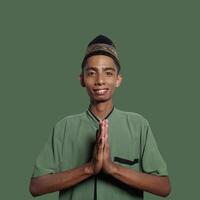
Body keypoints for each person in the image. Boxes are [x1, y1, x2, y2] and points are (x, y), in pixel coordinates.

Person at [29, 35, 171, 200]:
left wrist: (113, 168)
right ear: (82, 79)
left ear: (118, 79)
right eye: (91, 73)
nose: (100, 81)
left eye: (108, 73)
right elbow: (36, 186)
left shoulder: (138, 125)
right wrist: (89, 168)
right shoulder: (64, 127)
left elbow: (164, 187)